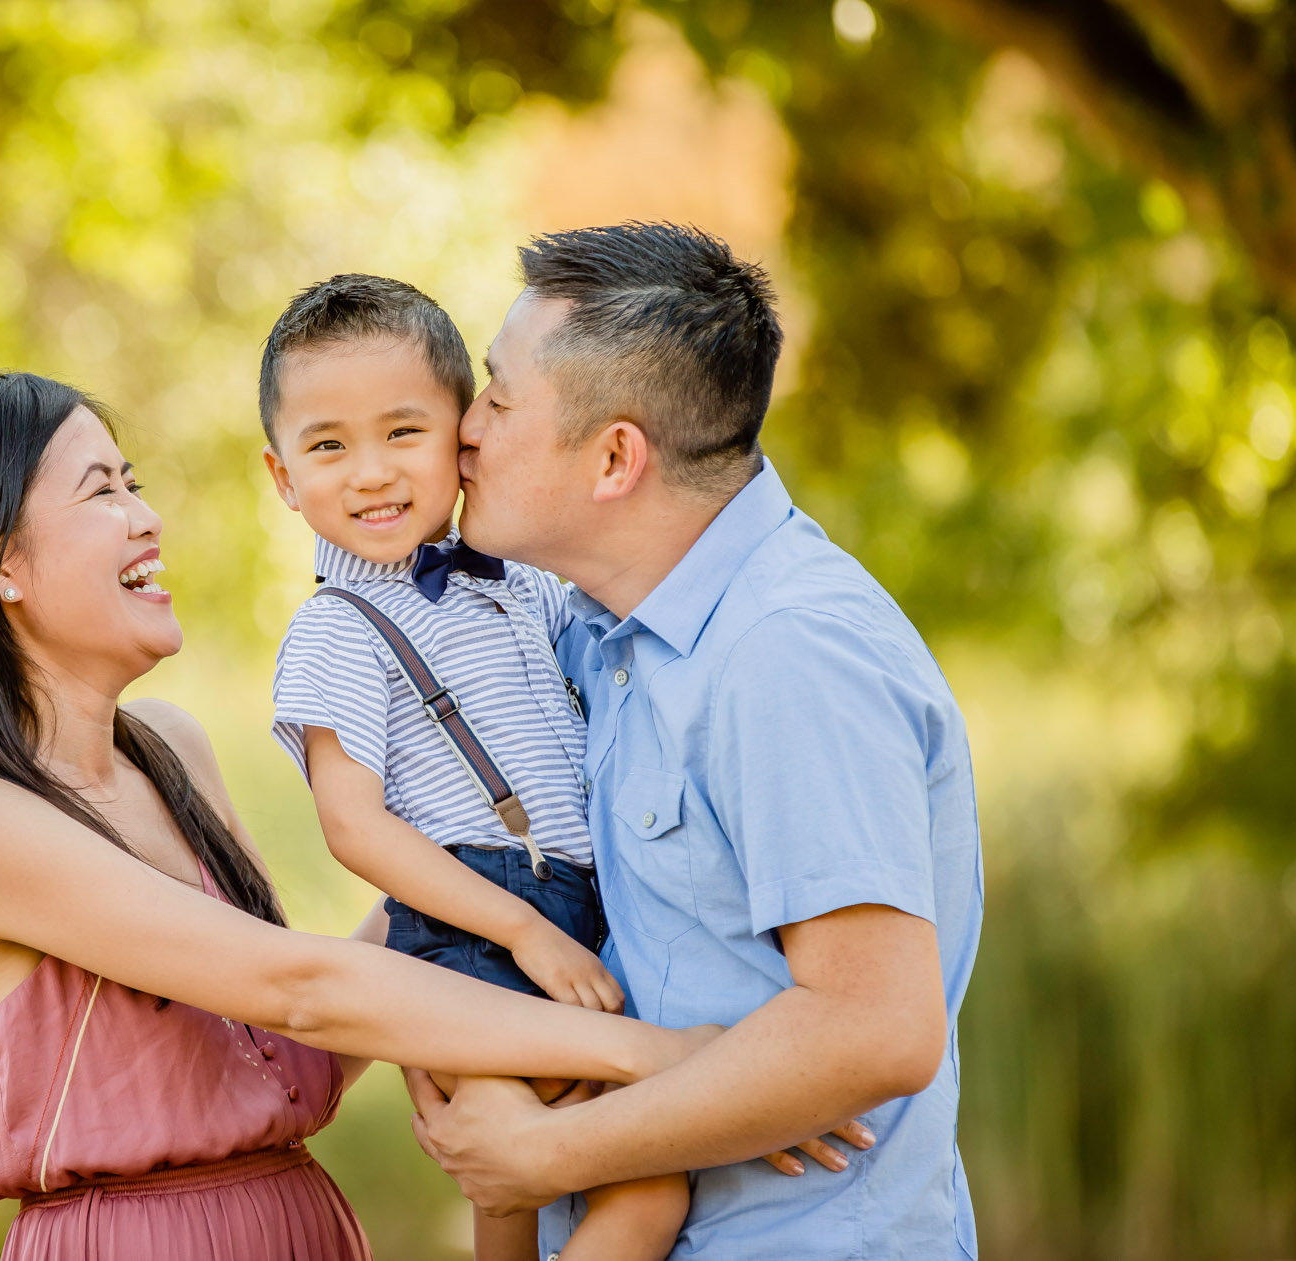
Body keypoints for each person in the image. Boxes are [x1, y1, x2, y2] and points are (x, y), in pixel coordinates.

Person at [0, 370, 717, 1261]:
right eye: (102, 491)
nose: (147, 517)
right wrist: (662, 1061)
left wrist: (478, 899)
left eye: (132, 482)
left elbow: (286, 1052)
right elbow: (301, 990)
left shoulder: (169, 750)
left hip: (299, 1221)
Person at [408, 222, 984, 1261]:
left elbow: (873, 1028)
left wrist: (549, 1154)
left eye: (496, 394)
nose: (464, 431)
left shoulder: (785, 652)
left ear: (614, 457)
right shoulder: (602, 631)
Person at [257, 275, 693, 1261]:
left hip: (585, 910)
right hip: (470, 932)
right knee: (511, 1164)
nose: (367, 473)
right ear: (282, 476)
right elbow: (353, 826)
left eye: (401, 433)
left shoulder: (528, 581)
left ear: (463, 435)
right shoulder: (339, 628)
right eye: (327, 446)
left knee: (647, 1187)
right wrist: (523, 934)